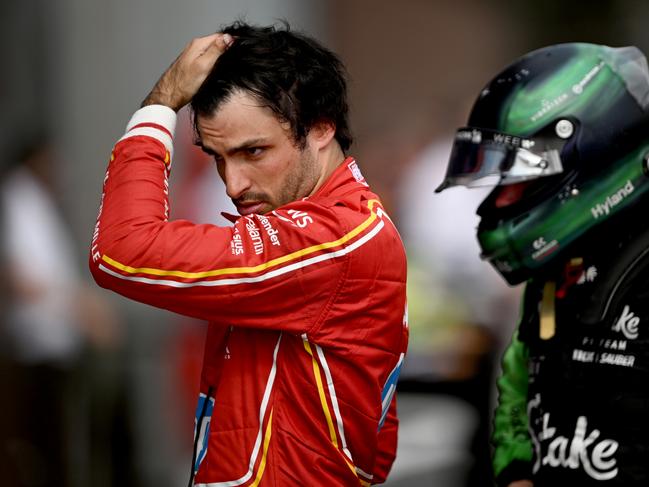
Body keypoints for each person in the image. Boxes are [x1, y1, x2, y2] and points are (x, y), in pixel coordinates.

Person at [89, 21, 408, 486]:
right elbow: (380, 440)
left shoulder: (336, 237)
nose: (232, 184)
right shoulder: (346, 226)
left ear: (321, 127)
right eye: (218, 157)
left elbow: (120, 250)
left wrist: (159, 106)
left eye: (253, 151)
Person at [435, 42, 649, 486]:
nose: (499, 202)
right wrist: (516, 470)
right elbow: (518, 386)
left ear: (588, 157)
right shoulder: (558, 271)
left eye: (520, 180)